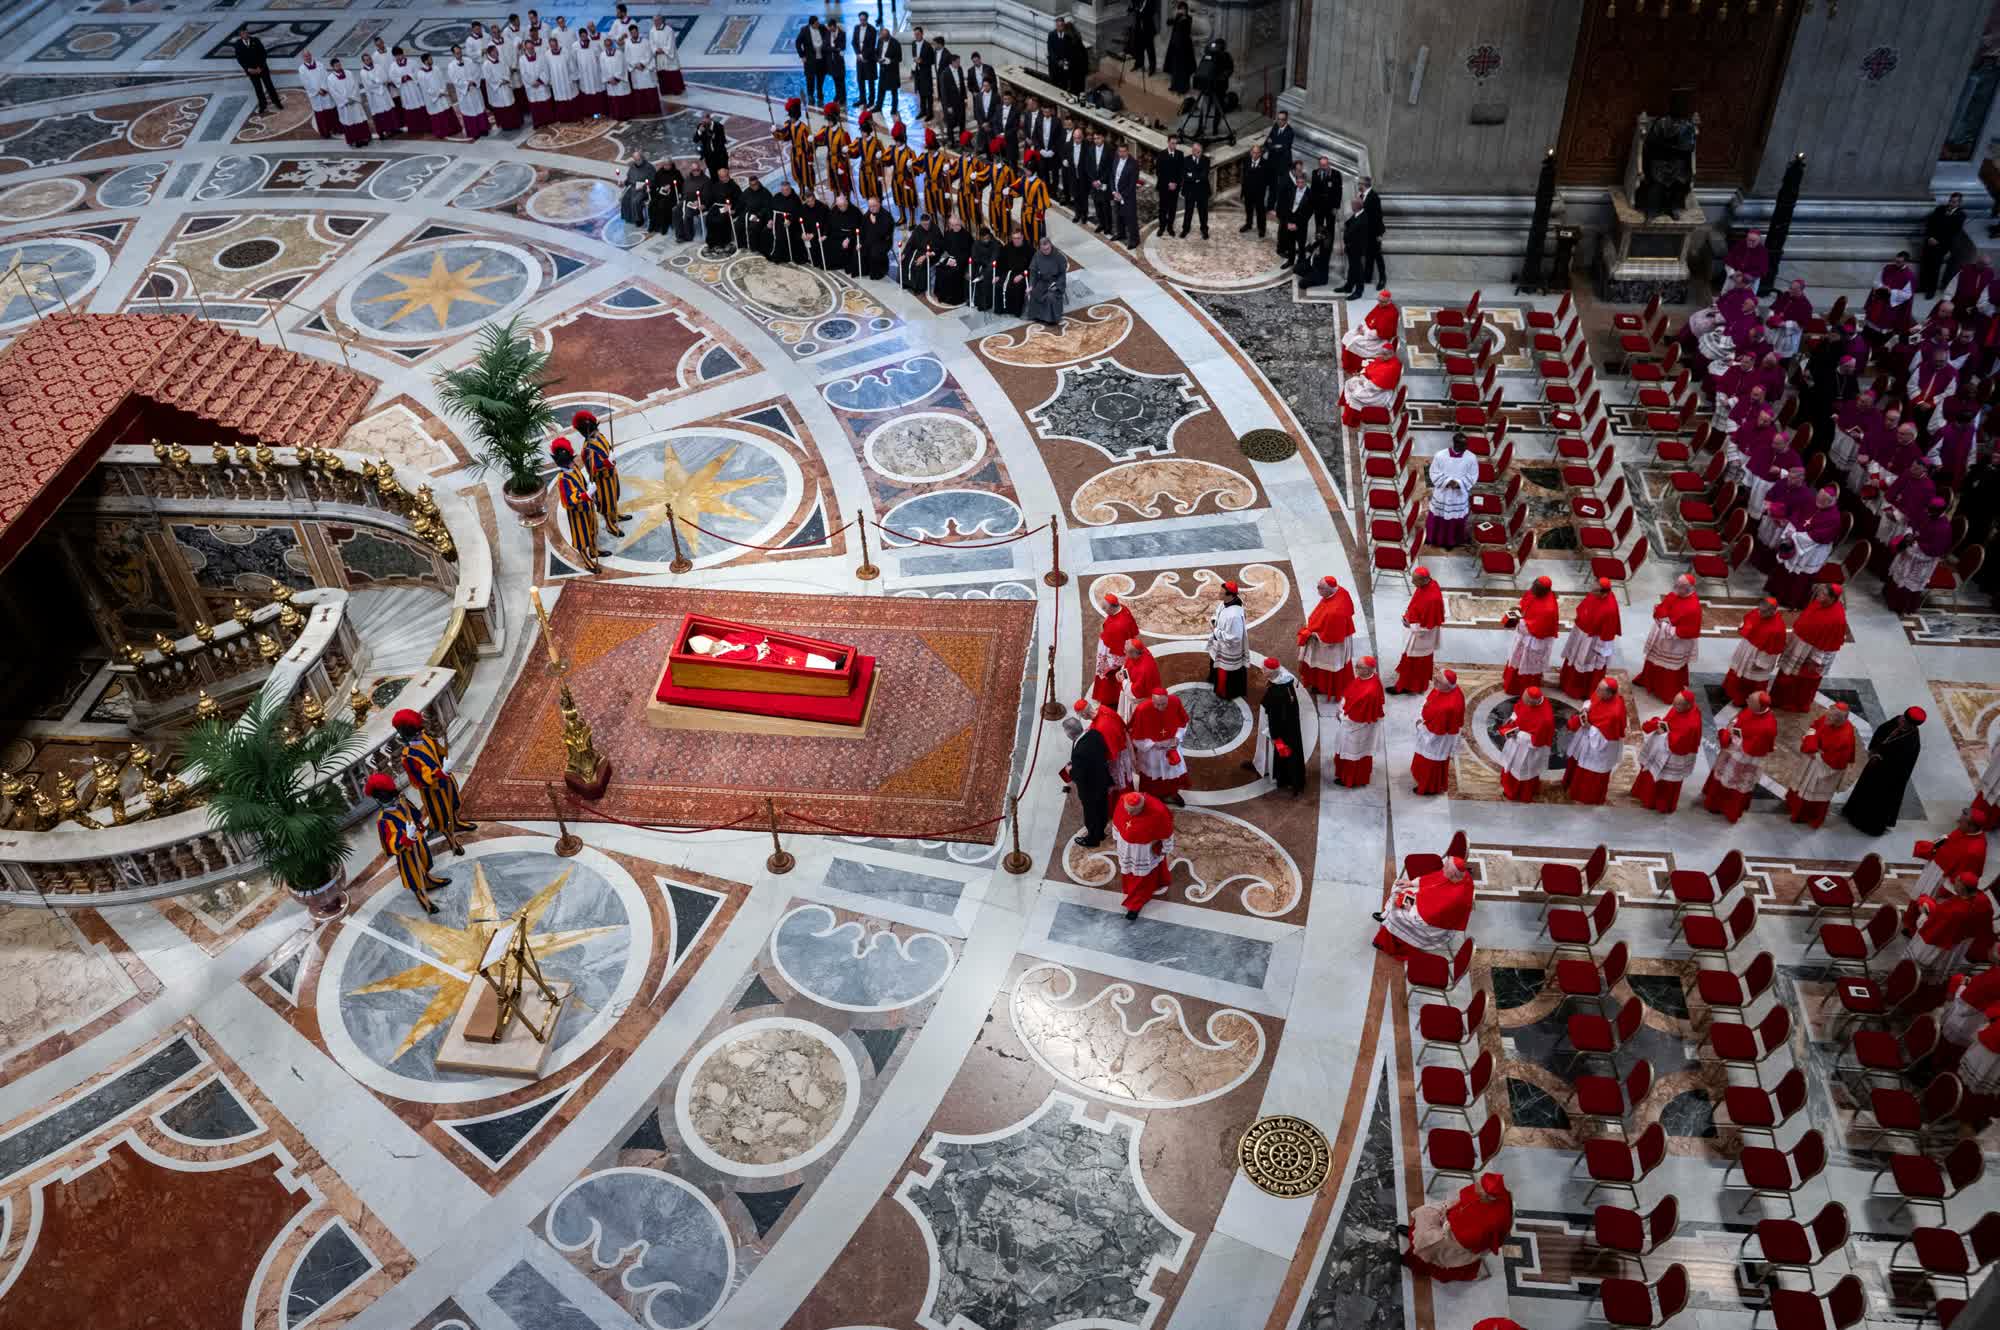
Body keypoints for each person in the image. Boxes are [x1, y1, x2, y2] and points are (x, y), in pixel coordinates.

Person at [1398, 1174, 1512, 1283]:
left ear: (1486, 1195)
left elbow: (1468, 1240)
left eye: (1479, 1186)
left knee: (1429, 1242)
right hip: (1452, 1220)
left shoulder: (1493, 1220)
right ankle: (1413, 1233)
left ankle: (1412, 1261)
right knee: (1426, 1211)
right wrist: (1447, 1212)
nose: (1476, 1184)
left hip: (1459, 1241)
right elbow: (1462, 1201)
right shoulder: (1486, 1194)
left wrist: (1447, 1225)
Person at [394, 707, 477, 855]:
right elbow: (420, 780)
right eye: (417, 732)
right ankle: (452, 841)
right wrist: (441, 773)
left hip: (446, 781)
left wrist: (442, 746)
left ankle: (456, 823)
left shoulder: (425, 737)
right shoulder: (408, 757)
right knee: (442, 818)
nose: (421, 733)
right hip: (433, 793)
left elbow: (438, 753)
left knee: (453, 804)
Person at [367, 771, 448, 914]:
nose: (392, 799)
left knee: (424, 862)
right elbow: (390, 845)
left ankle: (428, 880)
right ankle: (421, 896)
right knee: (413, 873)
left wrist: (407, 807)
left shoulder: (402, 804)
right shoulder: (384, 820)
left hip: (418, 842)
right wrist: (406, 837)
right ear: (378, 800)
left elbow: (416, 816)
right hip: (406, 852)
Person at [1844, 706, 1926, 835]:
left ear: (1911, 726)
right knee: (1864, 790)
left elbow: (1902, 766)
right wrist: (1874, 751)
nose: (1901, 722)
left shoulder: (1912, 742)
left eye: (1904, 722)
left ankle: (1866, 825)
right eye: (1902, 719)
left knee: (1876, 801)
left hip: (1887, 777)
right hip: (1875, 766)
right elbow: (1881, 731)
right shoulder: (1897, 720)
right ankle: (1851, 813)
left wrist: (1882, 760)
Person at [1373, 857, 1474, 960]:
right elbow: (1433, 879)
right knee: (1400, 889)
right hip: (1428, 904)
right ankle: (1385, 916)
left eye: (1446, 867)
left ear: (1453, 874)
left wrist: (1411, 909)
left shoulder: (1456, 896)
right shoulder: (1458, 875)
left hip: (1433, 925)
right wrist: (1411, 883)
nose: (1443, 867)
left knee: (1396, 916)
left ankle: (1385, 942)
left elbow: (1431, 916)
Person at [1703, 690, 1778, 822]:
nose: (1747, 700)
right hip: (1732, 751)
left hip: (1744, 759)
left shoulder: (1768, 727)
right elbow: (1741, 719)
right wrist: (1732, 726)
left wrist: (1733, 735)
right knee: (1721, 774)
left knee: (1733, 781)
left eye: (1750, 700)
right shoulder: (1752, 709)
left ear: (1759, 706)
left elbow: (1753, 747)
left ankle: (1723, 806)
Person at [1773, 582, 1847, 711]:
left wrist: (1814, 661)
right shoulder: (1818, 603)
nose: (1819, 594)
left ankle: (1793, 704)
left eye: (1823, 593)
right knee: (1786, 673)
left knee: (1799, 681)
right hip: (1799, 645)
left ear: (1832, 598)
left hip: (1811, 655)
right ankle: (1777, 699)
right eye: (1821, 591)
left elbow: (1828, 644)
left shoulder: (1837, 618)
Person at [1767, 485, 1843, 608]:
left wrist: (1795, 537)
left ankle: (1791, 601)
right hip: (1797, 539)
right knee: (1785, 566)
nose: (1818, 502)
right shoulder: (1811, 502)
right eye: (1818, 498)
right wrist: (1791, 531)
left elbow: (1819, 536)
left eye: (1822, 501)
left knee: (1800, 574)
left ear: (1831, 502)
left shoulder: (1834, 518)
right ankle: (1775, 591)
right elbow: (1797, 515)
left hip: (1812, 549)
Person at [1630, 690, 1703, 814]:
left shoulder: (1693, 723)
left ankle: (1658, 804)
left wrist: (1664, 733)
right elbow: (1670, 721)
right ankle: (1643, 794)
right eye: (1674, 703)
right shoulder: (1680, 708)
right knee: (1650, 771)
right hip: (1663, 747)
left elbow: (1679, 743)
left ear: (1688, 705)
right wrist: (1660, 725)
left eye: (1677, 704)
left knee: (1665, 780)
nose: (1674, 707)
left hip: (1674, 755)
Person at [1786, 703, 1857, 828]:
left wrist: (1816, 754)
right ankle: (1792, 805)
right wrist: (1811, 744)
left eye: (1830, 718)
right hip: (1812, 758)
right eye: (1827, 715)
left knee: (1813, 791)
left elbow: (1837, 762)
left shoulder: (1845, 737)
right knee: (1801, 782)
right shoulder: (1828, 717)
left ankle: (1804, 816)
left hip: (1823, 767)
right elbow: (1814, 727)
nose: (1826, 719)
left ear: (1839, 720)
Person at [1562, 678, 1627, 806]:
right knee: (1577, 761)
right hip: (1587, 738)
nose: (1596, 691)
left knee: (1589, 772)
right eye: (1597, 687)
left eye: (1599, 689)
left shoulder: (1614, 714)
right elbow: (1590, 701)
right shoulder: (1601, 695)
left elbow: (1606, 739)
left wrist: (1589, 727)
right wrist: (1586, 709)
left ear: (1609, 694)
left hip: (1598, 746)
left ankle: (1585, 797)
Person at [1112, 791, 1176, 920]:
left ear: (1142, 807)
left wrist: (1166, 849)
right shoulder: (1123, 799)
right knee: (1130, 872)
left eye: (1133, 812)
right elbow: (1117, 821)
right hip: (1126, 847)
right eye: (1127, 810)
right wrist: (1116, 837)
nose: (1129, 814)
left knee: (1142, 878)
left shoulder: (1158, 812)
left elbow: (1167, 833)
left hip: (1144, 851)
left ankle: (1135, 904)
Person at [1637, 575, 1702, 702]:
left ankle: (1666, 692)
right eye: (1676, 584)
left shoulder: (1693, 607)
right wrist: (1661, 616)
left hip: (1676, 643)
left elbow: (1687, 631)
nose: (1675, 588)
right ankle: (1648, 681)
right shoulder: (1675, 594)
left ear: (1688, 588)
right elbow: (1663, 607)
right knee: (1654, 659)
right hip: (1663, 635)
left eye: (1679, 586)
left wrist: (1665, 626)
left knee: (1669, 667)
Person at [1886, 497, 1954, 614]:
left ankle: (1902, 607)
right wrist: (1908, 535)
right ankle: (1889, 598)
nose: (1928, 512)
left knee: (1909, 582)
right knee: (1898, 573)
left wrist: (1914, 545)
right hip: (1910, 550)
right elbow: (1912, 524)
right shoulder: (1926, 513)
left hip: (1923, 559)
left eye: (1932, 511)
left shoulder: (1944, 528)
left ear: (1941, 511)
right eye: (1929, 509)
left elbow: (1935, 550)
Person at [1558, 578, 1622, 699]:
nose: (1591, 592)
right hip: (1581, 633)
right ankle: (1566, 682)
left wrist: (1600, 650)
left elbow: (1607, 634)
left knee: (1585, 663)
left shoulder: (1610, 609)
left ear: (1604, 593)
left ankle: (1580, 691)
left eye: (1595, 590)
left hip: (1592, 641)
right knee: (1574, 657)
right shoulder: (1595, 594)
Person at [1251, 657, 1306, 795]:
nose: (1262, 670)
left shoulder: (1277, 692)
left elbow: (1275, 716)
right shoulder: (1284, 682)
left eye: (1264, 669)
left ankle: (1287, 780)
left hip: (1278, 731)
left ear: (1271, 672)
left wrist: (1274, 735)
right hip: (1286, 726)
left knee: (1282, 753)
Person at [1297, 574, 1356, 700]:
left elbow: (1329, 638)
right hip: (1336, 632)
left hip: (1331, 644)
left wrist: (1311, 634)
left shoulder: (1334, 612)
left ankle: (1324, 687)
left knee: (1326, 664)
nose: (1317, 590)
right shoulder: (1340, 590)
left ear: (1329, 589)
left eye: (1320, 588)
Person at [1060, 710, 1114, 847]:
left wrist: (1070, 770)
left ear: (1069, 734)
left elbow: (1079, 776)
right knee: (1102, 808)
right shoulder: (1095, 734)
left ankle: (1092, 839)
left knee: (1091, 813)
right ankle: (1100, 832)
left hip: (1090, 788)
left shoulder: (1079, 752)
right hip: (1103, 780)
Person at [1912, 810, 1991, 900]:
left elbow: (1962, 879)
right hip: (1935, 868)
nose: (1958, 821)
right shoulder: (1965, 830)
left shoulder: (1974, 852)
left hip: (1940, 879)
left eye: (1962, 821)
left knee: (1925, 900)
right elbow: (1949, 841)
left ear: (1972, 827)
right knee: (1917, 895)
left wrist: (1942, 891)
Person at [1129, 689, 1190, 806]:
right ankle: (1153, 796)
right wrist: (1154, 744)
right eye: (1157, 704)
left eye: (1164, 704)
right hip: (1152, 752)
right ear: (1152, 700)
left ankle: (1172, 793)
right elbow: (1135, 735)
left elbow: (1183, 722)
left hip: (1171, 747)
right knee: (1153, 777)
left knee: (1172, 774)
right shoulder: (1142, 710)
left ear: (1168, 699)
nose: (1160, 707)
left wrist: (1177, 737)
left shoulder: (1175, 702)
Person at [1500, 577, 1560, 696]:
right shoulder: (1534, 592)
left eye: (1535, 589)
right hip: (1524, 637)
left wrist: (1519, 620)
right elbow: (1524, 602)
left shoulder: (1549, 609)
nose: (1532, 590)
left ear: (1544, 591)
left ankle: (1520, 689)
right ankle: (1511, 682)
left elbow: (1536, 629)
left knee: (1528, 664)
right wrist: (1517, 609)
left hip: (1534, 640)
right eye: (1533, 586)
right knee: (1517, 659)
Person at [1723, 599, 1788, 705]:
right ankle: (1731, 692)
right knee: (1737, 671)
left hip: (1759, 656)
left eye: (1764, 612)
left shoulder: (1777, 628)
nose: (1760, 613)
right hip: (1746, 647)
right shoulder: (1756, 612)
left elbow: (1772, 649)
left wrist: (1761, 663)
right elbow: (1747, 622)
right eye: (1760, 610)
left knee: (1750, 678)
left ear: (1773, 611)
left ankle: (1744, 700)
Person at [1391, 566, 1444, 695]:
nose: (1412, 582)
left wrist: (1410, 625)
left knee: (1415, 662)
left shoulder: (1433, 600)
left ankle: (1409, 686)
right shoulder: (1428, 584)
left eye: (1415, 580)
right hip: (1416, 628)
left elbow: (1427, 625)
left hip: (1422, 637)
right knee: (1409, 657)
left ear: (1425, 579)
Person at [1333, 657, 1385, 787]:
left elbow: (1359, 717)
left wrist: (1342, 715)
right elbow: (1350, 693)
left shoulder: (1370, 692)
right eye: (1356, 665)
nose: (1355, 668)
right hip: (1352, 722)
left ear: (1369, 670)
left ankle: (1351, 779)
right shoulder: (1366, 677)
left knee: (1354, 753)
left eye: (1359, 667)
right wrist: (1342, 707)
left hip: (1357, 728)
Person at [1497, 686, 1555, 803]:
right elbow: (1519, 708)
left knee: (1522, 769)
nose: (1523, 702)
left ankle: (1516, 793)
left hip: (1528, 749)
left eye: (1526, 701)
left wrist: (1518, 734)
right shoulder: (1528, 699)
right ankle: (1507, 785)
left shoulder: (1546, 719)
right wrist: (1513, 718)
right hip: (1516, 739)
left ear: (1532, 702)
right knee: (1510, 764)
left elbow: (1537, 742)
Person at [1412, 670, 1465, 796]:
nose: (1434, 683)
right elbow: (1431, 699)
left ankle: (1428, 787)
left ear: (1448, 686)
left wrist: (1420, 726)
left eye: (1438, 681)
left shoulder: (1448, 707)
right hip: (1433, 728)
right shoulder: (1448, 689)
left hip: (1437, 739)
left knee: (1430, 763)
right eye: (1435, 679)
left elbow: (1435, 731)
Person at [551, 438, 600, 572]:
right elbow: (569, 500)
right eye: (571, 461)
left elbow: (583, 482)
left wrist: (590, 489)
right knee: (581, 537)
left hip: (588, 506)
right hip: (577, 513)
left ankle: (594, 551)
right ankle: (586, 560)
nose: (574, 462)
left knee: (593, 529)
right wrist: (586, 494)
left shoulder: (575, 469)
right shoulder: (563, 479)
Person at [1422, 432, 1478, 547]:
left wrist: (1458, 484)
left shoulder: (1471, 457)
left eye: (1466, 444)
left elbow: (1473, 475)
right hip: (1443, 492)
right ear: (1455, 443)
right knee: (1438, 515)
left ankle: (1452, 541)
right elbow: (1433, 472)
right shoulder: (1440, 455)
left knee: (1456, 518)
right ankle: (1433, 538)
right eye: (1462, 445)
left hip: (1459, 494)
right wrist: (1447, 482)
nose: (1465, 447)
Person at [1339, 176, 1386, 298]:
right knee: (1368, 255)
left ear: (1365, 184)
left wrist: (1379, 234)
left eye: (1360, 183)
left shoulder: (1374, 197)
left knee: (1377, 255)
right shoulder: (1360, 195)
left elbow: (1378, 216)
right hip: (1363, 232)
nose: (1358, 185)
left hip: (1373, 232)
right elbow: (1358, 213)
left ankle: (1382, 278)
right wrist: (1348, 224)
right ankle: (1367, 278)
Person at [1341, 288, 1400, 372]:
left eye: (1382, 302)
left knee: (1354, 341)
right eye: (1379, 300)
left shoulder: (1392, 313)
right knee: (1349, 334)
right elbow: (1369, 318)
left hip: (1378, 339)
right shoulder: (1380, 305)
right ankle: (1346, 362)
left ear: (1388, 301)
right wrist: (1361, 326)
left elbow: (1383, 333)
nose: (1380, 303)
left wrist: (1364, 333)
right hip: (1368, 331)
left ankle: (1352, 366)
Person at [1922, 192, 1968, 298]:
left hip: (1942, 245)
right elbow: (1930, 223)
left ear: (1959, 203)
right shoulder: (1940, 209)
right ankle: (1923, 286)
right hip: (1930, 241)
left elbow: (1953, 232)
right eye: (1950, 201)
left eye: (1954, 202)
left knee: (1935, 268)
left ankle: (1931, 290)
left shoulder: (1961, 215)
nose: (1951, 203)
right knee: (1926, 264)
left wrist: (1938, 240)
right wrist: (1930, 237)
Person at [1208, 579, 1248, 698]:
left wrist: (1215, 630)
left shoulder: (1234, 615)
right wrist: (1214, 620)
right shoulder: (1225, 603)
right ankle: (1213, 680)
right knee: (1214, 662)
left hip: (1228, 649)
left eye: (1221, 593)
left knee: (1224, 672)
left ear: (1229, 595)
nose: (1218, 594)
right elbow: (1218, 613)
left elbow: (1235, 637)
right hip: (1219, 643)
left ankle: (1225, 692)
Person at [232, 26, 283, 115]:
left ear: (247, 32)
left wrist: (260, 67)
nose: (245, 34)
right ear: (240, 35)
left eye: (246, 32)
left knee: (269, 85)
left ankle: (277, 102)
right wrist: (248, 69)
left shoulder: (256, 40)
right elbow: (240, 59)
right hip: (251, 71)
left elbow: (263, 54)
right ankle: (263, 105)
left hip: (262, 68)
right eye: (243, 33)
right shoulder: (238, 44)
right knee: (258, 88)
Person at [327, 60, 371, 147]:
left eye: (339, 65)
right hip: (345, 105)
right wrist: (345, 100)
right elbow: (333, 93)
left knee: (359, 119)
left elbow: (355, 85)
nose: (339, 67)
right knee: (349, 121)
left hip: (354, 101)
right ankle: (355, 140)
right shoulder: (330, 78)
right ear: (332, 67)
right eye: (336, 66)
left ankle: (364, 137)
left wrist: (353, 97)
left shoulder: (349, 73)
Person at [1107, 144, 1141, 248]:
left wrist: (1121, 195)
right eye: (1119, 151)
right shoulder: (1116, 159)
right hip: (1116, 193)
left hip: (1128, 197)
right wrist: (1113, 191)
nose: (1121, 154)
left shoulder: (1134, 164)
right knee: (1118, 216)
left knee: (1130, 218)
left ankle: (1134, 240)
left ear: (1128, 152)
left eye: (1123, 151)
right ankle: (1121, 234)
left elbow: (1132, 184)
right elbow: (1112, 176)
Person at [361, 52, 402, 136]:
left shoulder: (378, 66)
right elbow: (369, 85)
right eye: (366, 60)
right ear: (364, 62)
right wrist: (379, 82)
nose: (369, 61)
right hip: (374, 95)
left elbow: (385, 78)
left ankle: (393, 129)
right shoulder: (363, 72)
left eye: (369, 59)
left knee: (389, 111)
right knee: (379, 114)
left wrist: (377, 81)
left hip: (384, 92)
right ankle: (383, 132)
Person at [482, 45, 521, 133]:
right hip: (497, 90)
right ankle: (506, 125)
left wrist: (506, 79)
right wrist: (500, 82)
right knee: (501, 108)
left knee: (510, 104)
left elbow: (507, 71)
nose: (497, 52)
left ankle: (514, 123)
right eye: (494, 51)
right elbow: (488, 78)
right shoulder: (486, 65)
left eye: (497, 51)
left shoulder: (501, 60)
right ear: (489, 53)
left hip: (506, 86)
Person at [298, 48, 334, 137]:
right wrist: (317, 91)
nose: (308, 57)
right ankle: (325, 132)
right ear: (303, 58)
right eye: (305, 56)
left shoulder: (320, 64)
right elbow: (306, 83)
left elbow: (326, 76)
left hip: (324, 92)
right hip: (315, 95)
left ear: (311, 55)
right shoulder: (302, 69)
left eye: (308, 55)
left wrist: (324, 88)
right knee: (320, 114)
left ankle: (332, 129)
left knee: (329, 111)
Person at [1240, 144, 1273, 237]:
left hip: (1259, 193)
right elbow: (1244, 177)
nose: (1255, 155)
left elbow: (1268, 180)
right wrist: (1243, 192)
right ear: (1251, 152)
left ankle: (1261, 229)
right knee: (1248, 210)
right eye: (1253, 152)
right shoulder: (1246, 160)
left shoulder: (1266, 163)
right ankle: (1248, 224)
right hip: (1247, 191)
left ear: (1260, 153)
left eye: (1257, 153)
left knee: (1260, 212)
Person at [1180, 140, 1211, 238]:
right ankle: (1185, 229)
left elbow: (1204, 175)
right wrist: (1196, 177)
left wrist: (1192, 175)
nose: (1198, 153)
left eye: (1199, 151)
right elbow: (1185, 175)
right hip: (1189, 190)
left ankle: (1204, 230)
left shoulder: (1206, 160)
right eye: (1196, 151)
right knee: (1188, 211)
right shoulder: (1186, 160)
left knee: (1203, 212)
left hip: (1202, 190)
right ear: (1192, 150)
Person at [860, 196, 896, 279]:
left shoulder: (886, 215)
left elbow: (884, 233)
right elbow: (862, 230)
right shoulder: (867, 215)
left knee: (875, 252)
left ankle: (879, 273)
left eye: (874, 206)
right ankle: (866, 271)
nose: (872, 208)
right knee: (860, 249)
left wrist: (874, 223)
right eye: (870, 206)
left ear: (879, 204)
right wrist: (860, 242)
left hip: (883, 241)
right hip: (869, 240)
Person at [1155, 136, 1184, 240]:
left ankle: (1170, 227)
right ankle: (1162, 227)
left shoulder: (1180, 154)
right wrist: (1168, 183)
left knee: (1172, 208)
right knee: (1163, 208)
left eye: (1175, 143)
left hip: (1175, 187)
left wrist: (1175, 183)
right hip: (1164, 186)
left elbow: (1181, 171)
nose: (1174, 145)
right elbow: (1159, 172)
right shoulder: (1161, 154)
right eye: (1172, 143)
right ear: (1168, 142)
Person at [1309, 155, 1343, 243]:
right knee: (1319, 225)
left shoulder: (1336, 174)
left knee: (1330, 226)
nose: (1324, 167)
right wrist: (1312, 205)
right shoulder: (1315, 173)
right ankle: (1319, 243)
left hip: (1331, 206)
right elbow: (1313, 190)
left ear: (1328, 164)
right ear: (1319, 165)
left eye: (1325, 165)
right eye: (1322, 165)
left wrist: (1336, 207)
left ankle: (1328, 244)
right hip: (1318, 206)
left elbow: (1339, 191)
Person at [1164, 2, 1196, 92]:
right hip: (1175, 45)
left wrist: (1181, 18)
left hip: (1185, 47)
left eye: (1183, 9)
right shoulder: (1177, 17)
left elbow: (1186, 30)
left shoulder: (1189, 18)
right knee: (1175, 67)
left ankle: (1183, 88)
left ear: (1186, 9)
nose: (1182, 10)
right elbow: (1168, 22)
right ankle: (1174, 86)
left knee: (1183, 68)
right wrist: (1175, 17)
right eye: (1180, 8)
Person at [797, 16, 827, 105]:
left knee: (821, 78)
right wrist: (802, 56)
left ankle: (820, 95)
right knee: (810, 79)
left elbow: (828, 37)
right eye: (816, 23)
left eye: (818, 22)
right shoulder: (804, 30)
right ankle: (810, 95)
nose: (818, 24)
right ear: (811, 24)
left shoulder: (822, 28)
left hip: (821, 59)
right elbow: (798, 43)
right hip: (810, 60)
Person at [1127, 0, 1159, 74]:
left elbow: (1152, 12)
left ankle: (1152, 68)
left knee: (1150, 49)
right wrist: (1131, 8)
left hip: (1148, 30)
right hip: (1138, 29)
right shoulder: (1138, 1)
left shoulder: (1151, 1)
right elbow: (1132, 8)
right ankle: (1139, 64)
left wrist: (1140, 12)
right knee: (1139, 48)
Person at [914, 25, 935, 119]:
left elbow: (932, 60)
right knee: (920, 92)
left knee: (928, 94)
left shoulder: (927, 45)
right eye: (915, 34)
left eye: (918, 34)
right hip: (917, 72)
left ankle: (930, 113)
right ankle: (923, 111)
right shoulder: (913, 44)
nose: (916, 36)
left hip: (926, 73)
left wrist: (922, 61)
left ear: (922, 34)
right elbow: (914, 57)